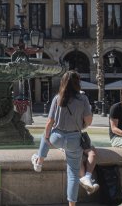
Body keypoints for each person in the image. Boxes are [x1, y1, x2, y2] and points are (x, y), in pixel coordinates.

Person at [31, 71, 93, 206]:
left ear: (63, 82)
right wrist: (81, 124)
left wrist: (47, 139)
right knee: (73, 174)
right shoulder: (83, 99)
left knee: (45, 134)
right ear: (78, 83)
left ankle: (39, 161)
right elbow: (89, 121)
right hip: (74, 139)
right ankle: (72, 205)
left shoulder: (57, 98)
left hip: (57, 137)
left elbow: (49, 123)